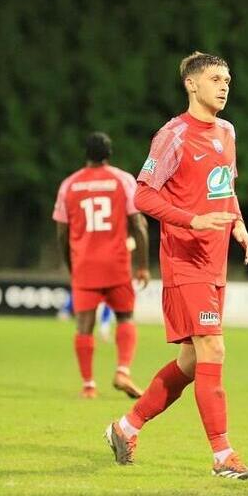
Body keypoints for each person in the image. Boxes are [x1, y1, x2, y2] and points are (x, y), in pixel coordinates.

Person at [104, 51, 248, 480]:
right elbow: (143, 195)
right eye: (214, 78)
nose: (224, 85)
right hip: (184, 261)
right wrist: (192, 220)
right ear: (192, 84)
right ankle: (223, 456)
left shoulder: (227, 131)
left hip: (215, 262)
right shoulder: (173, 135)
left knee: (192, 362)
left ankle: (125, 427)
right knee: (214, 349)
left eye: (227, 78)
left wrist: (239, 224)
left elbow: (226, 186)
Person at [53, 132, 151, 399]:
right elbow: (139, 226)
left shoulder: (69, 185)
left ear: (86, 153)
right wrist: (142, 265)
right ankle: (122, 370)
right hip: (117, 263)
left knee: (84, 326)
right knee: (125, 317)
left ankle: (88, 386)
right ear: (109, 154)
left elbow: (62, 233)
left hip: (84, 264)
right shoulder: (123, 180)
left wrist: (70, 264)